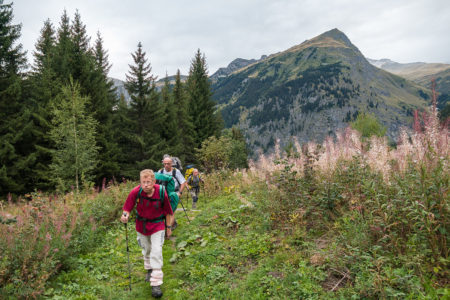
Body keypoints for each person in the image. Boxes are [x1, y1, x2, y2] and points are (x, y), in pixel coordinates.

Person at [120, 169, 174, 298]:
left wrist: (168, 227)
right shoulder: (136, 192)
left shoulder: (161, 192)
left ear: (154, 181)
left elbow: (168, 212)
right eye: (143, 182)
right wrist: (125, 215)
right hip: (141, 226)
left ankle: (156, 283)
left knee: (156, 251)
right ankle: (149, 269)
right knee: (147, 249)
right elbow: (127, 208)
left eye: (148, 182)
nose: (145, 185)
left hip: (157, 225)